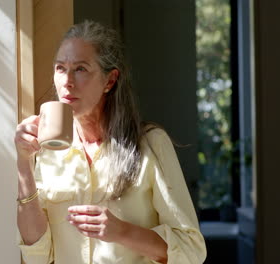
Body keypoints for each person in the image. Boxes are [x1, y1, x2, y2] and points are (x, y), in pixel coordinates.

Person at [14, 20, 206, 264]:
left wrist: (121, 231)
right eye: (60, 68)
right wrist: (23, 162)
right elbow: (38, 257)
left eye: (81, 69)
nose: (67, 81)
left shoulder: (151, 144)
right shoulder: (48, 149)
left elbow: (191, 251)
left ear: (110, 81)